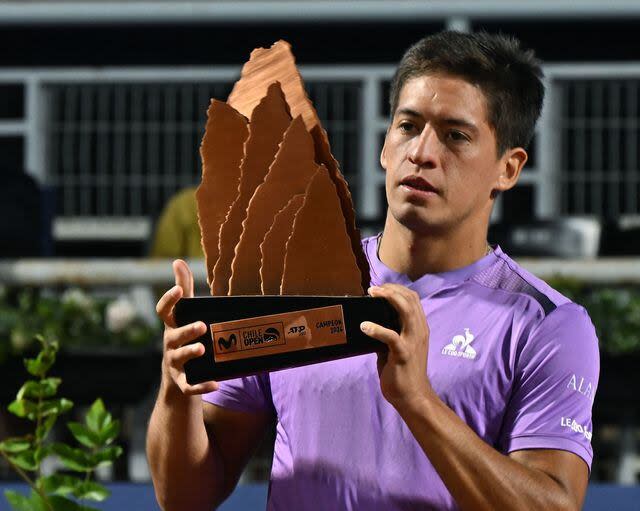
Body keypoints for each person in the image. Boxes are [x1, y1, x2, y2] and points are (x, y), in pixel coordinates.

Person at [147, 31, 600, 511]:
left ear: (508, 169)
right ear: (385, 147)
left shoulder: (547, 324)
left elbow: (553, 505)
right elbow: (184, 498)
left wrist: (418, 402)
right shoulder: (293, 287)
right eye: (408, 126)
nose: (422, 153)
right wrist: (176, 394)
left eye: (455, 136)